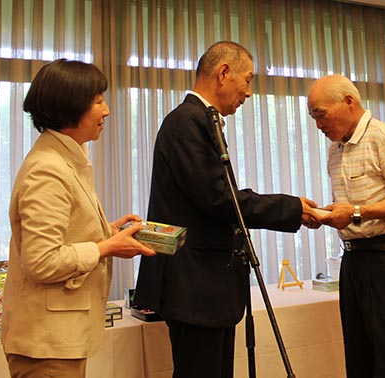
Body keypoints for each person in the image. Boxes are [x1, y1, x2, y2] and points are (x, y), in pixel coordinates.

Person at [134, 41, 321, 378]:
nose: (248, 92)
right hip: (194, 286)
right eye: (247, 80)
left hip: (209, 287)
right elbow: (219, 197)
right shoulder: (185, 122)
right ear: (223, 73)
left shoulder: (202, 120)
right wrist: (291, 208)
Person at [1, 59, 156, 378]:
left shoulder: (64, 159)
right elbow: (41, 261)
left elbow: (63, 236)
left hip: (56, 339)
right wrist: (106, 248)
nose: (107, 110)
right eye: (98, 101)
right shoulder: (48, 170)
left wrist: (107, 233)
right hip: (45, 343)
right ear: (69, 108)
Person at [307, 74, 385, 378]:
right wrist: (323, 214)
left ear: (349, 102)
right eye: (313, 118)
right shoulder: (335, 150)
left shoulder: (384, 137)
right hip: (354, 260)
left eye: (321, 114)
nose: (318, 125)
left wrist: (357, 212)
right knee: (358, 359)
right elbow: (350, 208)